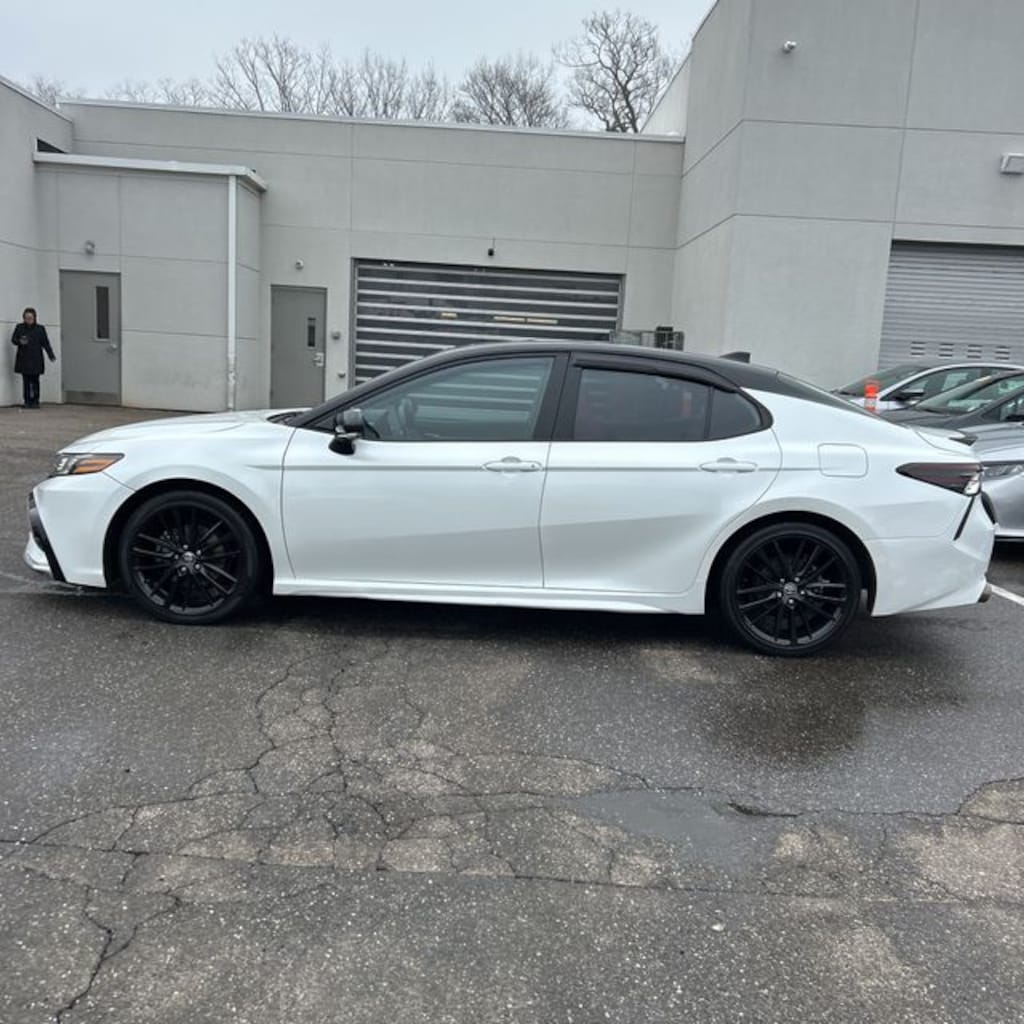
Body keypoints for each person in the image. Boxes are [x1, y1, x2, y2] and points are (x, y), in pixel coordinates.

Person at [10, 307, 55, 409]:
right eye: (26, 318)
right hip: (24, 358)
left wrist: (50, 354)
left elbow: (45, 343)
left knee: (35, 380)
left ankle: (35, 401)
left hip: (36, 358)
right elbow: (13, 340)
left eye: (30, 318)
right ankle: (27, 401)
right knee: (26, 381)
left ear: (35, 318)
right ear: (24, 318)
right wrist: (20, 341)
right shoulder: (19, 327)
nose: (28, 320)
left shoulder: (40, 329)